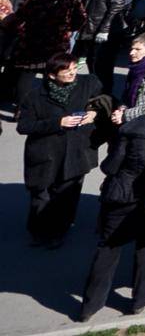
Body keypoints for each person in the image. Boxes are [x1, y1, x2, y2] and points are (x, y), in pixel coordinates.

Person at [79, 79, 145, 320]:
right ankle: (140, 299)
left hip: (120, 193)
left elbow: (111, 165)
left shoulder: (133, 126)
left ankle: (90, 305)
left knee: (108, 248)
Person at [17, 52, 107, 247]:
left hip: (76, 150)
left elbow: (105, 101)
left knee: (66, 195)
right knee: (41, 194)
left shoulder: (88, 84)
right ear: (51, 75)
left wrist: (95, 112)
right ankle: (38, 230)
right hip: (45, 153)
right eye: (66, 71)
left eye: (75, 68)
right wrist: (58, 122)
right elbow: (24, 126)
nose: (72, 73)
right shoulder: (35, 97)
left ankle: (59, 231)